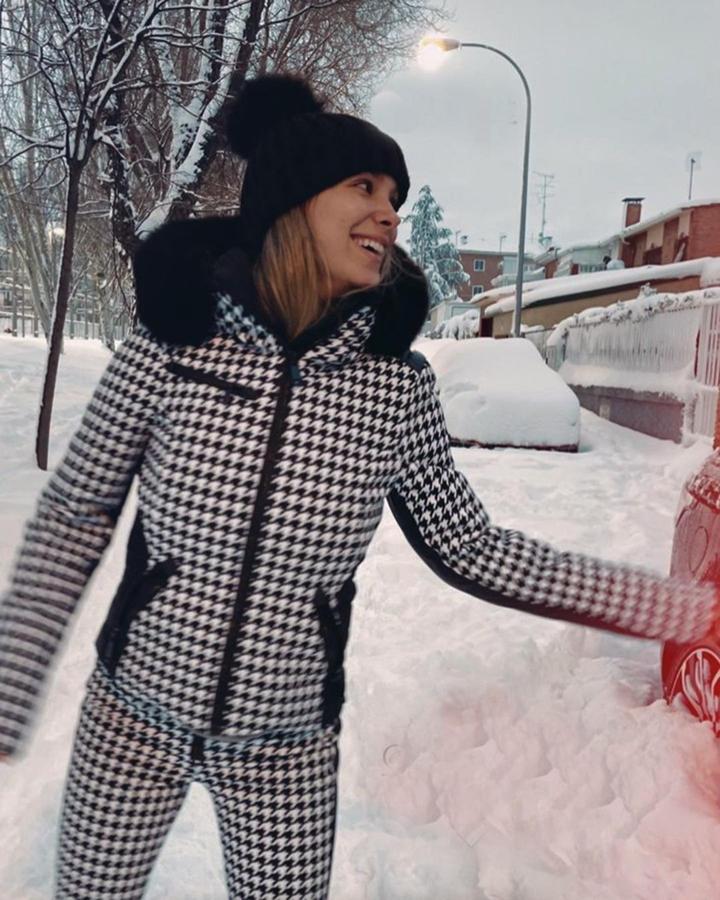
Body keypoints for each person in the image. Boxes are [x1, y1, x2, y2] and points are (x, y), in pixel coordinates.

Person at [0, 73, 717, 899]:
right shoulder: (172, 350)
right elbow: (74, 514)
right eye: (365, 188)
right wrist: (12, 687)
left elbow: (475, 549)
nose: (389, 214)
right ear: (294, 201)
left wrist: (687, 610)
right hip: (131, 718)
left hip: (287, 746)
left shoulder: (393, 390)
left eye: (395, 199)